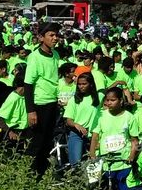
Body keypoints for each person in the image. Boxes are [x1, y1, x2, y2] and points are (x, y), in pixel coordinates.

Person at [24, 23, 62, 176]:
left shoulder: (55, 55)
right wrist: (31, 110)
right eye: (51, 35)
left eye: (56, 35)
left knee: (47, 142)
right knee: (36, 143)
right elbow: (28, 84)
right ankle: (27, 174)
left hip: (52, 103)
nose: (55, 38)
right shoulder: (34, 57)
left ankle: (40, 174)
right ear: (41, 37)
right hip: (40, 105)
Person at [89, 86, 138, 190]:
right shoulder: (101, 115)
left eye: (113, 100)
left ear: (120, 101)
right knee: (103, 189)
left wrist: (131, 156)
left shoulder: (129, 117)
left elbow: (134, 140)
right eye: (107, 100)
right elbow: (95, 137)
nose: (109, 103)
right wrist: (92, 154)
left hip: (123, 162)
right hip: (106, 161)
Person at [63, 71, 99, 167]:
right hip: (77, 133)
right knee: (76, 163)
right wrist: (76, 125)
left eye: (84, 84)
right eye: (79, 84)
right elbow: (69, 120)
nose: (81, 86)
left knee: (96, 162)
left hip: (95, 134)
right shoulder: (74, 100)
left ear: (91, 84)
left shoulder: (98, 98)